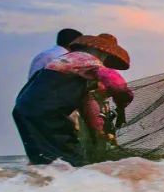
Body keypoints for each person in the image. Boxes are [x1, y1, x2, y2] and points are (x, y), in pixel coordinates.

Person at [13, 33, 133, 167]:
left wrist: (98, 130)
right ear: (104, 53)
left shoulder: (67, 63)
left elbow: (87, 104)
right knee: (72, 160)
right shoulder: (88, 60)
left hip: (23, 109)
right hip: (47, 111)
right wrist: (124, 98)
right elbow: (115, 82)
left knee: (42, 159)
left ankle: (26, 185)